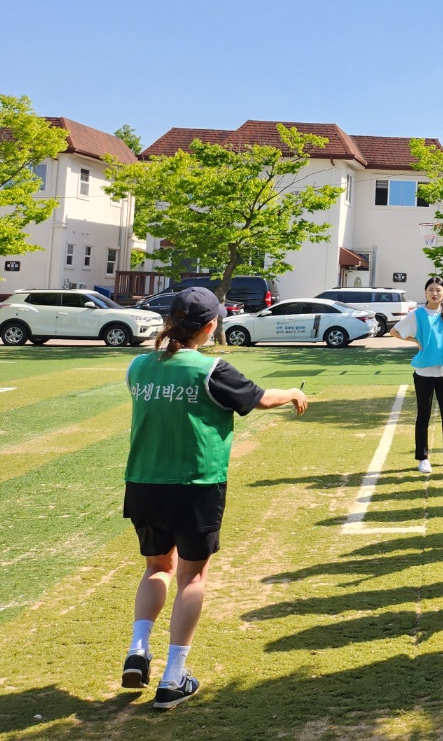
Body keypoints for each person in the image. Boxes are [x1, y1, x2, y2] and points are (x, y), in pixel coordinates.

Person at [120, 287, 306, 710]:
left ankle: (137, 649)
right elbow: (261, 399)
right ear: (209, 326)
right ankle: (173, 676)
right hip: (196, 484)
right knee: (192, 577)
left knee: (156, 567)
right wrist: (294, 393)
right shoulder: (211, 368)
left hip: (144, 482)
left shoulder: (138, 366)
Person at [391, 277, 443, 474]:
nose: (435, 293)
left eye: (439, 290)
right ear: (425, 292)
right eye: (431, 290)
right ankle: (423, 458)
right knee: (423, 416)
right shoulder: (417, 314)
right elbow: (394, 331)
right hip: (423, 373)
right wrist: (416, 341)